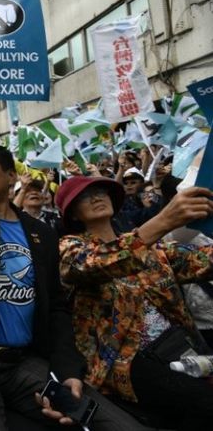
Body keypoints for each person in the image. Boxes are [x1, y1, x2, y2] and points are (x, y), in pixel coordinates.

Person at [0, 63, 145, 430]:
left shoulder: (40, 233)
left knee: (113, 424)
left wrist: (68, 371)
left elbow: (56, 310)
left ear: (11, 175)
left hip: (25, 366)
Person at [56, 175, 213, 430]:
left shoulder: (154, 248)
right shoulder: (70, 248)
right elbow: (95, 264)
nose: (96, 197)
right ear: (73, 213)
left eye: (101, 192)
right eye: (84, 196)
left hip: (180, 347)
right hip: (126, 362)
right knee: (203, 402)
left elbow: (201, 260)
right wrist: (164, 220)